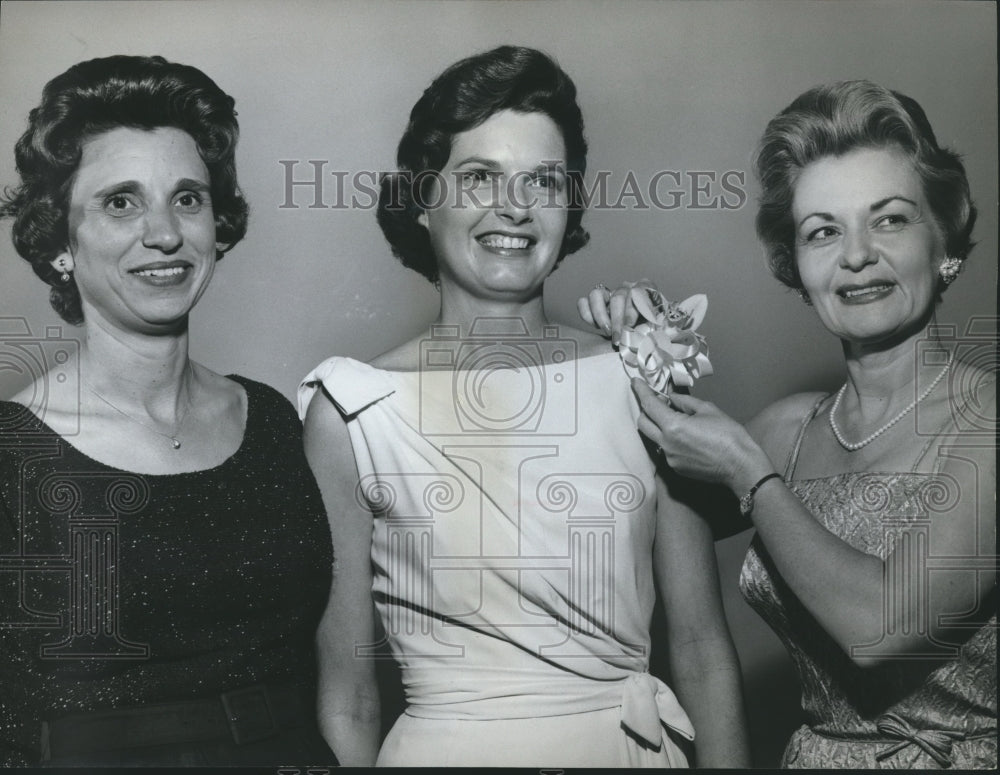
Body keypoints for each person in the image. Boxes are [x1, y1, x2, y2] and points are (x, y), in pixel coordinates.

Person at [298, 45, 749, 767]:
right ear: (422, 198)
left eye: (543, 181)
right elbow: (347, 694)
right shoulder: (352, 409)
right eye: (479, 177)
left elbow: (701, 650)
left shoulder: (639, 373)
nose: (514, 206)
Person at [581, 79, 997, 769]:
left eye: (889, 219)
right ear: (797, 267)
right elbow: (652, 537)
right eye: (822, 231)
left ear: (944, 239)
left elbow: (879, 626)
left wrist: (751, 474)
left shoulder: (986, 422)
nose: (855, 255)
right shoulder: (786, 431)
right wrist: (645, 356)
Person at [0, 55, 337, 767]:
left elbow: (337, 678)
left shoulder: (273, 422)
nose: (164, 234)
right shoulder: (12, 455)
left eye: (187, 198)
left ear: (218, 223)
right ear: (60, 241)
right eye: (120, 202)